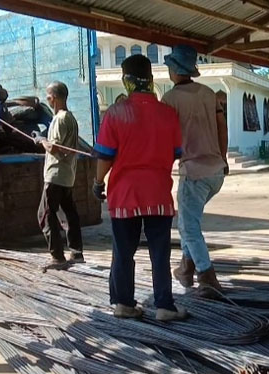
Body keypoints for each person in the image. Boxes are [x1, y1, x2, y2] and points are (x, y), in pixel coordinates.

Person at [92, 54, 187, 322]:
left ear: (126, 80)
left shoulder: (115, 113)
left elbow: (105, 157)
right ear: (151, 79)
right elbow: (176, 151)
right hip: (158, 193)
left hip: (124, 195)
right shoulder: (168, 113)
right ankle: (165, 306)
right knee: (160, 252)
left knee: (123, 251)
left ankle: (123, 303)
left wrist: (98, 183)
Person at [161, 44, 228, 299]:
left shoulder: (169, 100)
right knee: (190, 222)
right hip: (215, 172)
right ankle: (186, 269)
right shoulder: (209, 94)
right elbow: (222, 127)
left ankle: (207, 278)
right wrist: (224, 158)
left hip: (194, 171)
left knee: (188, 227)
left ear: (175, 70)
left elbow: (166, 140)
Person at [35, 81, 83, 269]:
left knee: (45, 214)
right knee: (69, 213)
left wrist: (40, 140)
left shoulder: (60, 119)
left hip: (55, 174)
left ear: (53, 98)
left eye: (48, 95)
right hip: (67, 175)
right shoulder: (70, 118)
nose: (46, 99)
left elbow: (54, 148)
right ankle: (76, 252)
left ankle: (57, 257)